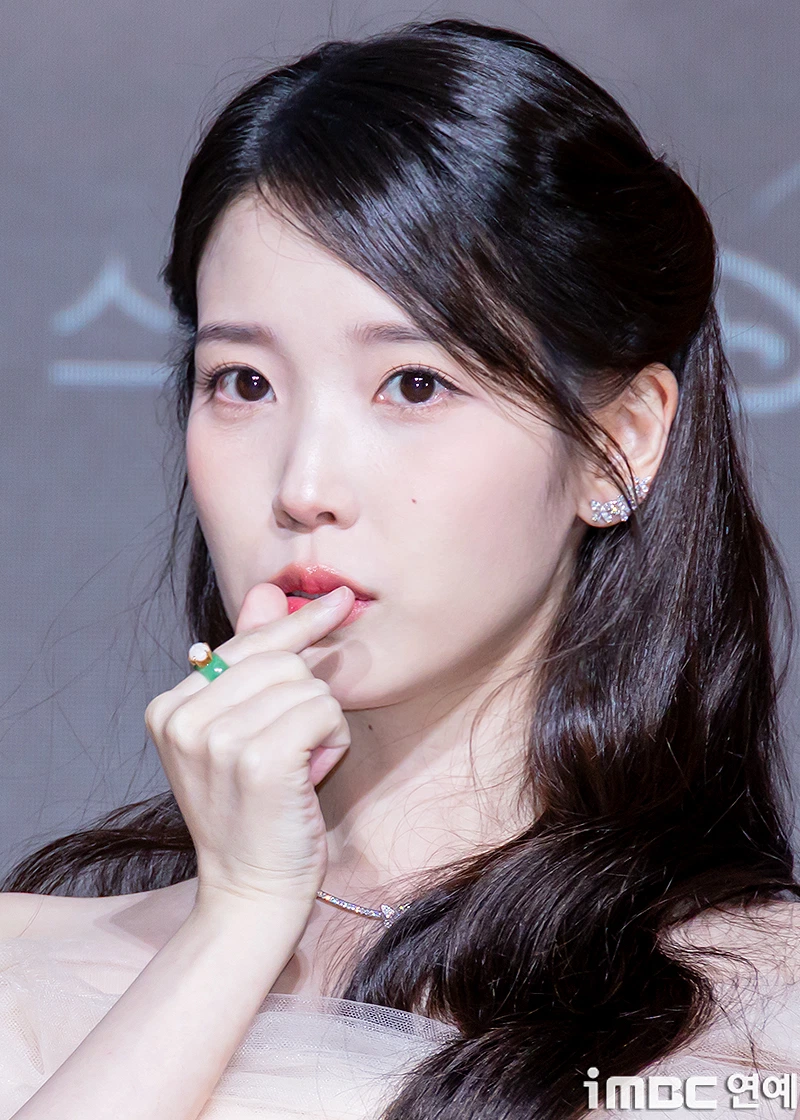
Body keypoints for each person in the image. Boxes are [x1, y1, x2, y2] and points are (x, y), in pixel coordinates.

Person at [1, 15, 800, 1120]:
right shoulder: (28, 961)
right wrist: (237, 918)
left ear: (617, 444)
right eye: (242, 383)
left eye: (414, 385)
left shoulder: (752, 1016)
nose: (304, 484)